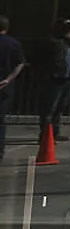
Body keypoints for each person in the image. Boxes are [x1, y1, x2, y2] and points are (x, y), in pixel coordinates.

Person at [42, 19, 70, 142]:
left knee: (60, 108)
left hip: (67, 79)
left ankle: (54, 132)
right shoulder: (54, 42)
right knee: (50, 108)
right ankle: (45, 135)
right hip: (55, 79)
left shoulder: (69, 43)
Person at [0, 17, 25, 160]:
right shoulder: (14, 44)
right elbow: (20, 63)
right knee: (1, 120)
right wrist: (8, 79)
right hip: (4, 86)